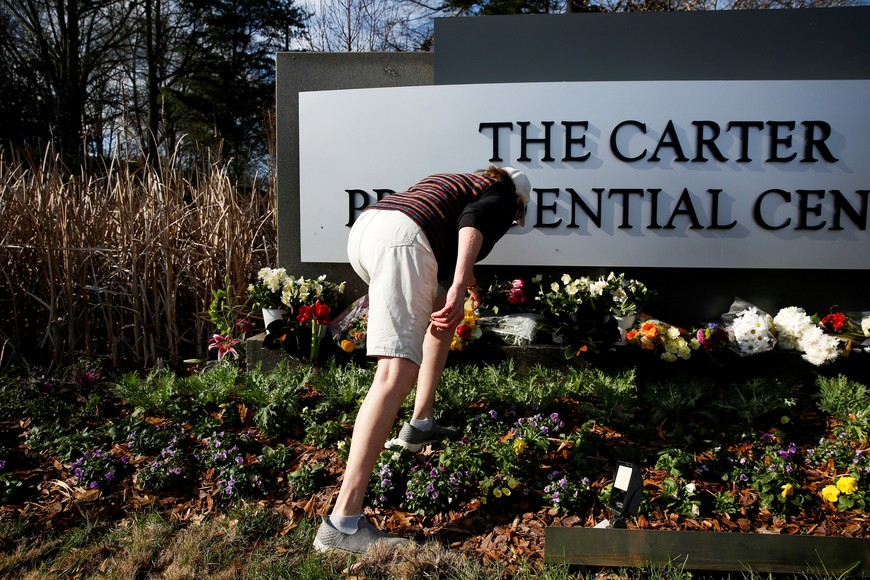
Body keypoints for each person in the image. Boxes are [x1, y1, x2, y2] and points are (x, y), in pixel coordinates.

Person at [313, 165, 532, 554]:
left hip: (369, 231)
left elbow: (448, 229)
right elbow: (474, 221)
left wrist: (463, 287)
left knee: (439, 317)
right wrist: (461, 284)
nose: (511, 221)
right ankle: (342, 525)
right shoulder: (501, 192)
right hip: (403, 241)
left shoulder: (460, 180)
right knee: (394, 373)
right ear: (516, 202)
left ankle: (420, 423)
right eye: (516, 217)